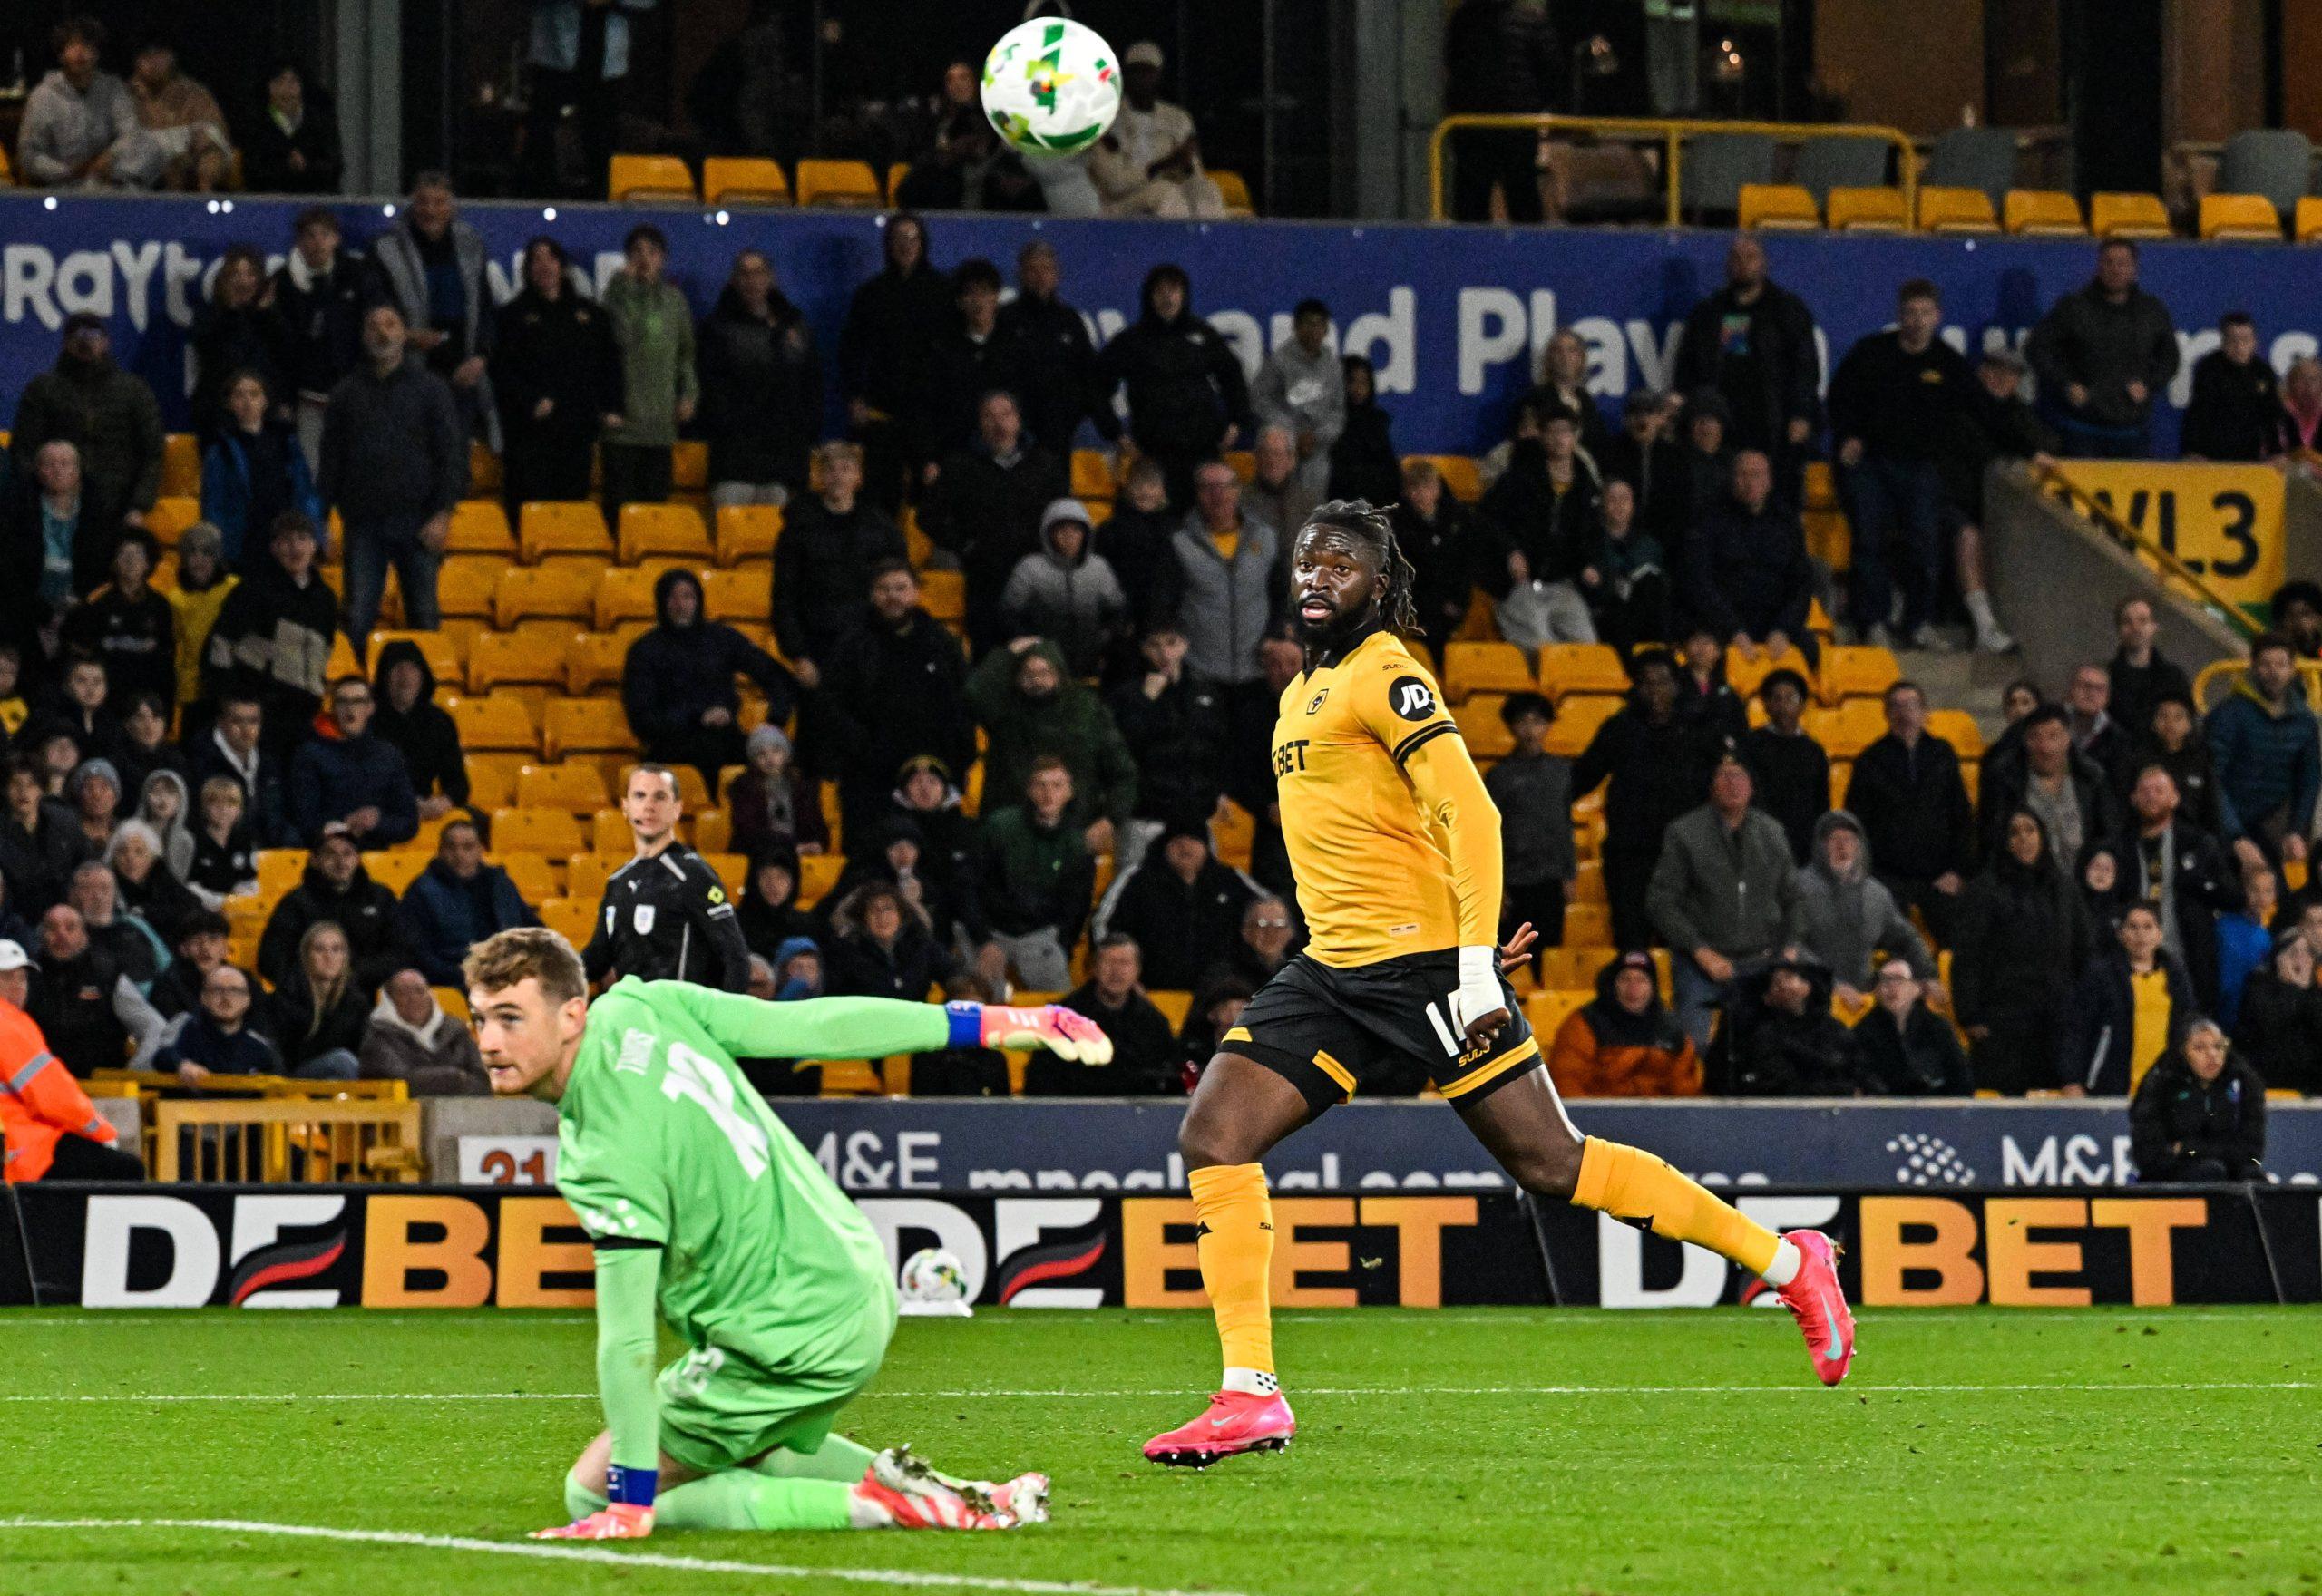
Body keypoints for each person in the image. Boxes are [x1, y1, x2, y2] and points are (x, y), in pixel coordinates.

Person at [1142, 499, 1856, 1471]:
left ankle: (1789, 1260)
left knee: (1552, 1163)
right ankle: (1248, 1392)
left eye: (1340, 566)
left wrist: (1471, 963)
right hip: (1332, 966)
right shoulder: (1300, 693)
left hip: (1428, 967)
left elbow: (1472, 815)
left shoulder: (1388, 674)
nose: (1316, 576)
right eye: (1307, 561)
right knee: (1213, 1132)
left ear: (1379, 586)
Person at [468, 927, 1092, 1539]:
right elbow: (815, 1026)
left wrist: (627, 1503)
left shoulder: (600, 1152)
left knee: (590, 1488)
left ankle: (880, 1507)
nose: (490, 1042)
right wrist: (993, 1024)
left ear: (572, 1014)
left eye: (510, 1018)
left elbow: (626, 1340)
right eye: (479, 1021)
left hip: (786, 1336)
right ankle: (961, 1496)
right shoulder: (643, 1004)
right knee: (739, 1447)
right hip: (855, 1278)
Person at [1828, 279, 1976, 650]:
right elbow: (1839, 398)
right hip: (1870, 465)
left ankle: (1919, 623)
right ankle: (1873, 622)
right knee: (1869, 542)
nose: (1917, 321)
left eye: (1925, 313)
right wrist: (1848, 435)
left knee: (1925, 547)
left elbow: (1968, 417)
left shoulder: (1949, 364)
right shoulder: (1870, 353)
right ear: (1898, 315)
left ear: (1938, 317)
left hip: (1921, 469)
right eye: (1910, 313)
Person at [320, 305, 465, 637]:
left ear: (405, 334)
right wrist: (323, 518)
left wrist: (442, 515)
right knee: (356, 620)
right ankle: (356, 688)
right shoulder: (345, 394)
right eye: (373, 325)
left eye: (391, 324)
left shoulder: (432, 389)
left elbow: (451, 458)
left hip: (419, 524)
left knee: (425, 619)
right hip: (363, 524)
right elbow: (331, 463)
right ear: (362, 336)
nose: (382, 332)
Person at [1647, 755, 1800, 1052]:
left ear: (1752, 786)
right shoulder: (1684, 832)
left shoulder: (1773, 832)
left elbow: (1795, 898)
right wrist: (1700, 950)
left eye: (1740, 776)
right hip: (1701, 964)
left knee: (1779, 1041)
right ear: (1711, 784)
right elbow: (1660, 901)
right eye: (1725, 776)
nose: (1733, 784)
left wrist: (1789, 949)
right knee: (1695, 1047)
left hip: (1763, 960)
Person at [819, 561, 975, 845]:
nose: (893, 596)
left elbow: (962, 705)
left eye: (901, 588)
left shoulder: (942, 643)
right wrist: (863, 747)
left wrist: (955, 762)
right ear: (872, 595)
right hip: (868, 779)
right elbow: (831, 705)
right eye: (884, 589)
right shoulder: (852, 645)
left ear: (916, 592)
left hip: (931, 777)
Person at [1572, 651, 1714, 949]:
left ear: (1676, 685)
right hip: (1630, 854)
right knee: (1630, 944)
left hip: (1684, 855)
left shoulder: (1699, 729)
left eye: (1662, 682)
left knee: (1684, 945)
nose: (1655, 691)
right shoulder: (1619, 729)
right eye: (1646, 683)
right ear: (1635, 688)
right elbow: (1580, 779)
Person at [1673, 234, 1823, 500]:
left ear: (1764, 264)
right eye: (1736, 257)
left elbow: (1806, 367)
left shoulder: (1786, 309)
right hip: (1724, 424)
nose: (1743, 264)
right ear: (1727, 265)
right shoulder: (1710, 313)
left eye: (1751, 257)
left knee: (1777, 501)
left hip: (1774, 424)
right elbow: (1687, 367)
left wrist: (1801, 414)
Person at [921, 392, 1070, 654]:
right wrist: (965, 545)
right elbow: (928, 517)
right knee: (988, 656)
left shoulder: (1045, 465)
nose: (998, 423)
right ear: (979, 423)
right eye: (989, 416)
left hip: (1035, 577)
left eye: (1005, 415)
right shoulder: (959, 466)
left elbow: (1065, 515)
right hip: (984, 579)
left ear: (1019, 421)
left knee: (1037, 656)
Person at [620, 570, 796, 790]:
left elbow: (775, 676)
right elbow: (642, 719)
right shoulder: (645, 650)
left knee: (776, 763)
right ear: (662, 602)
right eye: (673, 597)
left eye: (688, 597)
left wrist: (773, 723)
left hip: (726, 739)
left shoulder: (721, 639)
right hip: (672, 746)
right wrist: (698, 718)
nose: (681, 605)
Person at [583, 766, 753, 992]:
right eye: (640, 796)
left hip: (678, 1018)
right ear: (625, 807)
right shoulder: (618, 882)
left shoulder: (692, 874)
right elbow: (597, 959)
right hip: (634, 1018)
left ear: (677, 809)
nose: (649, 806)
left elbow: (735, 956)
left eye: (660, 797)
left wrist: (726, 1024)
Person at [1097, 265, 1253, 508]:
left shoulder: (1202, 334)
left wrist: (1237, 421)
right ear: (1149, 296)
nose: (1168, 297)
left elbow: (1232, 375)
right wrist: (1115, 433)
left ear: (1184, 294)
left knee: (1202, 523)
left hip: (1201, 450)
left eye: (1174, 290)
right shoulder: (1132, 340)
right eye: (1160, 291)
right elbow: (1097, 386)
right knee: (1157, 520)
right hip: (1153, 453)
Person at [965, 638, 1137, 854]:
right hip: (1013, 836)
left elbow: (1123, 773)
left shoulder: (1087, 708)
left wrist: (1111, 820)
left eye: (1044, 672)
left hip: (1075, 833)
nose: (1036, 680)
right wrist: (1006, 653)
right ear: (1016, 678)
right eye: (1028, 674)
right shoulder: (1005, 711)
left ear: (1059, 672)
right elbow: (973, 693)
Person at [365, 171, 498, 448]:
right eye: (424, 202)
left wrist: (481, 357)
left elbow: (485, 306)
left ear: (452, 207)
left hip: (463, 372)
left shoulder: (472, 244)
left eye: (440, 202)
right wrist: (407, 336)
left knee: (455, 461)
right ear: (413, 204)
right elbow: (374, 306)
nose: (431, 210)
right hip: (408, 372)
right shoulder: (385, 248)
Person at [8, 313, 165, 546]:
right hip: (53, 507)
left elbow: (152, 452)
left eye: (93, 335)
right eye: (77, 336)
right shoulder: (42, 389)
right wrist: (36, 501)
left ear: (106, 342)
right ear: (65, 342)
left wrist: (138, 506)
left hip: (117, 507)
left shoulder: (133, 391)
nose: (85, 341)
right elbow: (23, 450)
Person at [492, 237, 620, 515]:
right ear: (526, 270)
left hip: (577, 431)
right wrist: (529, 400)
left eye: (551, 258)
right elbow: (502, 370)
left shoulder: (591, 315)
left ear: (562, 267)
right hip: (529, 434)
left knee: (571, 510)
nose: (544, 265)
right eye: (536, 259)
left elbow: (609, 364)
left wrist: (609, 406)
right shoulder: (511, 317)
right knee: (529, 510)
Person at [1842, 681, 1975, 947]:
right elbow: (1855, 824)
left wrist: (1959, 871)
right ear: (1886, 714)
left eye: (1911, 706)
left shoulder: (1943, 755)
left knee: (1963, 939)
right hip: (1887, 875)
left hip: (1939, 874)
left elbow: (1961, 816)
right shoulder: (1869, 760)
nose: (1904, 713)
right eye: (1896, 707)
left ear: (1925, 711)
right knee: (1887, 940)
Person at [771, 443, 910, 689]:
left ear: (858, 477)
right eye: (831, 470)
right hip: (816, 647)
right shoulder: (798, 529)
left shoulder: (881, 528)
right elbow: (783, 596)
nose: (838, 477)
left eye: (846, 469)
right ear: (820, 477)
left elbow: (898, 586)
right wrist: (799, 656)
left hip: (869, 647)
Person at [2024, 239, 2181, 458]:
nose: (2115, 269)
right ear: (2099, 266)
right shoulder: (2074, 307)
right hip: (2081, 431)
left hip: (2133, 432)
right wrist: (2066, 384)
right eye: (2108, 262)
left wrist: (2149, 384)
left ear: (2134, 269)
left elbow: (2170, 359)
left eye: (2122, 263)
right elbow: (2036, 348)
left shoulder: (2152, 311)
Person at [837, 213, 952, 509]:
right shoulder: (870, 294)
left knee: (930, 499)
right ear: (888, 245)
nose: (906, 245)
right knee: (879, 499)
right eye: (898, 239)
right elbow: (852, 351)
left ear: (923, 244)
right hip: (881, 414)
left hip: (930, 416)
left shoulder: (943, 292)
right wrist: (854, 397)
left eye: (912, 238)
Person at [0, 938, 141, 1180]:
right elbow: (52, 1096)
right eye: (5, 978)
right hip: (21, 1149)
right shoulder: (9, 1023)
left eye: (22, 978)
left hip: (13, 1143)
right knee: (127, 1169)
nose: (18, 987)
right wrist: (102, 1131)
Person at [2110, 763, 2241, 1017]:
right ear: (2133, 798)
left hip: (2188, 959)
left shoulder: (2200, 843)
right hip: (2131, 963)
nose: (2151, 796)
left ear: (2175, 797)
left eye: (2159, 790)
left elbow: (2232, 895)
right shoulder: (2119, 846)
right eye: (2145, 790)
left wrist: (2199, 884)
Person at [695, 248, 820, 509]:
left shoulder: (795, 325)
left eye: (759, 273)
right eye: (745, 273)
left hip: (785, 461)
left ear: (771, 278)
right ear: (734, 280)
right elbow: (710, 390)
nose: (752, 280)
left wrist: (802, 432)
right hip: (734, 461)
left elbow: (811, 385)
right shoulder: (717, 328)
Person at [1786, 812, 1937, 1007]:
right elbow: (1789, 945)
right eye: (1834, 839)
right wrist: (1833, 985)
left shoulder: (1875, 894)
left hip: (1864, 1000)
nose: (1841, 847)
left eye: (1848, 840)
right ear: (1821, 846)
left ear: (1859, 846)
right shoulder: (1799, 888)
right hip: (1811, 999)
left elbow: (1906, 938)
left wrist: (1928, 976)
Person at [972, 759, 1098, 994]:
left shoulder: (1077, 843)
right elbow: (969, 885)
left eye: (1056, 785)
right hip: (990, 931)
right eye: (1040, 785)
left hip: (1041, 935)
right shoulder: (1000, 827)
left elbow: (1077, 905)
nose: (1048, 793)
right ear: (1029, 790)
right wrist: (983, 938)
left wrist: (1062, 946)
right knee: (974, 999)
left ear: (1069, 792)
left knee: (1063, 1006)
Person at [1683, 449, 1818, 667]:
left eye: (1757, 474)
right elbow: (1700, 582)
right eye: (1743, 474)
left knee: (1810, 650)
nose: (1750, 481)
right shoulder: (1709, 520)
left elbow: (1801, 585)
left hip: (1775, 623)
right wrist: (1733, 630)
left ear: (1769, 481)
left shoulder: (1787, 523)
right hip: (1722, 623)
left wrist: (1782, 629)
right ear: (1731, 479)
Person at [600, 224, 699, 516]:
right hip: (621, 428)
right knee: (620, 515)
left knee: (655, 513)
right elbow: (620, 341)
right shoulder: (613, 299)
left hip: (660, 427)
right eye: (637, 252)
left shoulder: (674, 301)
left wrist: (689, 395)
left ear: (663, 258)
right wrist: (627, 291)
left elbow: (686, 355)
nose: (645, 259)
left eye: (652, 252)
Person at [1485, 411, 1601, 649]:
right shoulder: (1519, 478)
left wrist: (1587, 564)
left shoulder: (1584, 485)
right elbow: (1488, 520)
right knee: (1542, 648)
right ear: (1542, 436)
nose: (1560, 438)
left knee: (1588, 648)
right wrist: (1511, 551)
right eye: (1553, 432)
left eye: (1565, 431)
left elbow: (1589, 535)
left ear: (1575, 437)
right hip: (1518, 585)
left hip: (1562, 583)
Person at [2205, 634, 2320, 873]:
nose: (2273, 672)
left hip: (2267, 823)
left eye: (2281, 664)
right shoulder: (2230, 713)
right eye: (2266, 664)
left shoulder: (2305, 722)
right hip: (2218, 823)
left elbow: (2308, 781)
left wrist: (2297, 831)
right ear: (2254, 667)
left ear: (2293, 669)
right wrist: (2235, 836)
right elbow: (2213, 777)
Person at [1099, 824, 1258, 993]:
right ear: (1164, 846)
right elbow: (1104, 926)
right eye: (1177, 841)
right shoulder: (1137, 880)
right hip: (1146, 994)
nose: (1185, 846)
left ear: (1206, 847)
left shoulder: (1231, 880)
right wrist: (1128, 980)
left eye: (1194, 840)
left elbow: (1273, 913)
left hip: (1221, 997)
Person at [1169, 460, 1284, 690]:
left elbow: (1281, 594)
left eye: (1225, 486)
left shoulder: (1264, 537)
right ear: (1198, 493)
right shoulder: (1178, 543)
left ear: (1238, 490)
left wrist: (1276, 635)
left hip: (1257, 673)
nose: (1217, 495)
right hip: (1200, 673)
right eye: (1209, 487)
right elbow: (1166, 601)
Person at [257, 823, 409, 996]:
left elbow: (400, 952)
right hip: (308, 999)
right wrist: (311, 984)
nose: (340, 861)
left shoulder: (381, 898)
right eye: (330, 854)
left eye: (347, 853)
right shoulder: (295, 902)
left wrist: (355, 975)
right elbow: (271, 959)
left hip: (367, 995)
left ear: (358, 859)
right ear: (315, 860)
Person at [2058, 901, 2193, 1095]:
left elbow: (2187, 1028)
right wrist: (2071, 1079)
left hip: (2163, 1092)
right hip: (2111, 1089)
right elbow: (2078, 1029)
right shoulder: (2101, 975)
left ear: (2159, 934)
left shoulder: (2176, 976)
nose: (2141, 935)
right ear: (2121, 934)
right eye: (2133, 927)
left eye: (2148, 927)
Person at [1439, 0, 1556, 223]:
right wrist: (1534, 106)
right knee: (1523, 200)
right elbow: (1551, 71)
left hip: (1473, 125)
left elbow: (1454, 66)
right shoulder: (1532, 19)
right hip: (1517, 125)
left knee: (1471, 205)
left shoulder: (1464, 17)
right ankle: (1530, 254)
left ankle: (1471, 254)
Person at [270, 207, 369, 469]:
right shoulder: (284, 283)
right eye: (310, 236)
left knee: (355, 469)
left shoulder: (356, 274)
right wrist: (284, 398)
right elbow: (279, 349)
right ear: (299, 242)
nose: (318, 243)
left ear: (336, 238)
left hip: (352, 393)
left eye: (324, 235)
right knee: (312, 472)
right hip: (308, 397)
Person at [200, 371, 322, 573]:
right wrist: (218, 546)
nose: (247, 401)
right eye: (239, 395)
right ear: (229, 403)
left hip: (286, 538)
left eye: (254, 394)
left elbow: (304, 490)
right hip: (244, 541)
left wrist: (314, 533)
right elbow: (214, 503)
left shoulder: (286, 442)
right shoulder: (220, 450)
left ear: (265, 401)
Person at [1088, 42, 1225, 218]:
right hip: (1122, 204)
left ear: (1158, 75)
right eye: (1136, 71)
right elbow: (1114, 186)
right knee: (1165, 193)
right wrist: (1161, 166)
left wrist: (1187, 164)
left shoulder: (1177, 119)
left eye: (1148, 72)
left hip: (1170, 193)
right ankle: (1176, 245)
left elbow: (1194, 172)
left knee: (1207, 190)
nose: (1142, 78)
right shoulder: (1107, 120)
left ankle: (1209, 243)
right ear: (1126, 75)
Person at [916, 259, 1030, 467]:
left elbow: (1030, 401)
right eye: (970, 293)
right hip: (956, 455)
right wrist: (929, 457)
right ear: (959, 301)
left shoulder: (1016, 348)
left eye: (985, 292)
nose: (978, 301)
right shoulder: (943, 351)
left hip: (1009, 457)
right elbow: (928, 408)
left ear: (996, 297)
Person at [399, 818, 538, 988]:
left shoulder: (500, 885)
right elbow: (416, 953)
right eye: (451, 847)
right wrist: (461, 974)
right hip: (453, 981)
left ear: (480, 850)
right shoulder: (422, 890)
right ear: (440, 851)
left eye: (468, 847)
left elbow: (534, 930)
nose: (459, 854)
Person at [1484, 693, 1574, 956]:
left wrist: (1569, 873)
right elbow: (1491, 832)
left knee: (1549, 954)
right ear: (1511, 726)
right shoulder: (1499, 775)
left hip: (1551, 879)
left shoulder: (1561, 771)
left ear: (1548, 726)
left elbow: (1565, 824)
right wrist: (1496, 886)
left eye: (1537, 722)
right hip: (1514, 880)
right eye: (1523, 722)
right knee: (1512, 955)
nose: (1530, 730)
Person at [1546, 949, 1702, 1098]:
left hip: (1657, 1119)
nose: (1633, 988)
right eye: (1625, 979)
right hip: (1598, 1116)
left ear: (1653, 988)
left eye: (1642, 980)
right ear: (1612, 985)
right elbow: (1566, 1081)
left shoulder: (1672, 1032)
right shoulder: (1585, 1023)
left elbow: (1684, 1091)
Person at [1001, 499, 1129, 678]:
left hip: (1091, 661)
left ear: (1086, 534)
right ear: (1048, 534)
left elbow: (1119, 610)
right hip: (1042, 664)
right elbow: (1008, 614)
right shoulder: (1030, 568)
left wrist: (1104, 642)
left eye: (1076, 530)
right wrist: (1034, 647)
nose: (1069, 536)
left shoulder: (1098, 567)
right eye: (1061, 530)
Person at [31, 903, 163, 1075]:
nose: (61, 934)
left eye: (70, 927)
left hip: (102, 1089)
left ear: (85, 934)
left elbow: (154, 1027)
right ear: (41, 935)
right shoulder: (27, 978)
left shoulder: (108, 977)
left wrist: (132, 1074)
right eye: (52, 928)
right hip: (43, 1086)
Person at [288, 676, 418, 850]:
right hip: (328, 854)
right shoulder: (309, 755)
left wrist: (378, 822)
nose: (350, 709)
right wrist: (344, 824)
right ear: (333, 708)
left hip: (374, 859)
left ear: (370, 708)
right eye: (343, 702)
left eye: (358, 701)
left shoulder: (389, 755)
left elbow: (409, 822)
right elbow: (303, 819)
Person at [1979, 704, 2117, 867]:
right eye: (2035, 737)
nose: (2045, 747)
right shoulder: (2004, 781)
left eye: (2054, 736)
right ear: (2026, 742)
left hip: (2083, 883)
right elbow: (1992, 842)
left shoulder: (2092, 778)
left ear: (2067, 738)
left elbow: (2108, 837)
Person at [15, 17, 145, 189]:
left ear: (97, 53)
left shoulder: (113, 88)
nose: (80, 52)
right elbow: (29, 154)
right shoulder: (43, 96)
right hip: (62, 188)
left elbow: (130, 132)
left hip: (109, 180)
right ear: (61, 54)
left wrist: (109, 157)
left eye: (87, 46)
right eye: (72, 46)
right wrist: (68, 171)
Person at [2130, 1019, 2266, 1180]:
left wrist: (2188, 1148)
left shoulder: (2244, 1081)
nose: (2212, 1055)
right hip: (2171, 1175)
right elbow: (2151, 1154)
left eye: (2218, 1046)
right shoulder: (2161, 1082)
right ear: (2183, 1051)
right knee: (2212, 1172)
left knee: (2255, 1181)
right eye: (2199, 1048)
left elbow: (2252, 1153)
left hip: (2227, 1169)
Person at [1049, 935, 1178, 1094]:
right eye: (1108, 962)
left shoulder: (1153, 1023)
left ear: (1137, 970)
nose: (1116, 971)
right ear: (1094, 968)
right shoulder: (1062, 1016)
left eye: (1124, 963)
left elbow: (1166, 1077)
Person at [0, 439, 108, 630]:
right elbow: (11, 569)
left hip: (82, 606)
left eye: (65, 464)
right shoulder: (17, 510)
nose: (57, 471)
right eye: (49, 464)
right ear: (37, 471)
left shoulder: (96, 512)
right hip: (26, 607)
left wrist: (80, 600)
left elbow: (99, 565)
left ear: (77, 471)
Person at [63, 530, 175, 712]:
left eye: (138, 554)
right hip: (107, 700)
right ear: (114, 562)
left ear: (148, 562)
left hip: (145, 697)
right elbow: (79, 647)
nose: (131, 561)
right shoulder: (96, 602)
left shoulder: (160, 606)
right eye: (124, 554)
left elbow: (166, 660)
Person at [1251, 301, 1345, 500]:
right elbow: (1259, 401)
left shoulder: (1333, 367)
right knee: (1277, 503)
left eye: (1319, 324)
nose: (1313, 330)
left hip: (1317, 453)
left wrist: (1316, 436)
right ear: (1295, 326)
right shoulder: (1279, 361)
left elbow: (1338, 413)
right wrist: (1292, 434)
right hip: (1282, 450)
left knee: (1313, 510)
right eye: (1307, 323)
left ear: (1327, 329)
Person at [189, 250, 284, 444]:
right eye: (235, 274)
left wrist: (265, 314)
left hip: (264, 418)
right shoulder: (209, 316)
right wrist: (231, 310)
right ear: (223, 280)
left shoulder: (271, 318)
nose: (242, 281)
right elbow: (210, 354)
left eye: (249, 274)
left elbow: (285, 359)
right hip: (217, 417)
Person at [1391, 459, 1483, 654]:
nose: (1421, 495)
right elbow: (1404, 575)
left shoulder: (1459, 519)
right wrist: (1433, 606)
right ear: (1406, 492)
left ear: (1438, 489)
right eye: (1415, 489)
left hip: (1454, 603)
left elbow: (1466, 565)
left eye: (1427, 487)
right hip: (1419, 607)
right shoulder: (1398, 527)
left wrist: (1456, 602)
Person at [371, 639, 468, 822]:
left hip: (424, 809)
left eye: (412, 669)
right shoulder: (367, 718)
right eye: (397, 669)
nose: (405, 677)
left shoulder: (439, 721)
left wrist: (443, 802)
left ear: (423, 676)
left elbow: (458, 782)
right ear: (384, 676)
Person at [258, 920, 367, 1080]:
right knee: (343, 1061)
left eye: (336, 949)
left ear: (345, 957)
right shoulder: (287, 995)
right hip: (291, 1079)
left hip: (334, 1079)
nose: (328, 956)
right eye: (319, 949)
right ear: (306, 956)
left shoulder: (356, 1001)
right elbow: (274, 1048)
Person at [1741, 668, 1829, 865]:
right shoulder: (1750, 744)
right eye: (1776, 699)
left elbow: (1821, 802)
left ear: (1802, 706)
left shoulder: (1814, 751)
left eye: (1790, 698)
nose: (1783, 706)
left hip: (1802, 848)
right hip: (1759, 845)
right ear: (1766, 706)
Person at [1094, 461, 1185, 650]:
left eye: (1152, 485)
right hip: (1124, 624)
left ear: (1162, 490)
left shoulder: (1178, 531)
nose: (1145, 492)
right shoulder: (1109, 530)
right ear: (1127, 488)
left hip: (1167, 625)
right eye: (1138, 485)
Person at [1850, 957, 1971, 1096]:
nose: (1890, 987)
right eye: (1885, 980)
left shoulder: (1937, 1027)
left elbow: (1961, 1077)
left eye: (1899, 980)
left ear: (1916, 988)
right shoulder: (1864, 1031)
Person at [124, 37, 231, 191]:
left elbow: (215, 135)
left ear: (171, 57)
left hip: (191, 166)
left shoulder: (194, 93)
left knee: (209, 153)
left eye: (159, 55)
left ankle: (205, 202)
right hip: (139, 170)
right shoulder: (123, 96)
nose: (153, 62)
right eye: (146, 56)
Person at [359, 968, 488, 1095]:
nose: (413, 998)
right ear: (390, 1000)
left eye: (419, 991)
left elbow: (483, 1080)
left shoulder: (457, 1031)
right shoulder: (378, 1036)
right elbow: (402, 1082)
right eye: (403, 992)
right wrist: (457, 1077)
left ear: (430, 996)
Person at [1579, 478, 1671, 655]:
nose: (1619, 505)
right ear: (1602, 503)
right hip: (1605, 619)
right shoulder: (1588, 544)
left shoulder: (1649, 546)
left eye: (1624, 499)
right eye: (1612, 499)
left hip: (1644, 620)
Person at [187, 692, 290, 845]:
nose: (246, 729)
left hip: (269, 855)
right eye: (237, 721)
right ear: (221, 723)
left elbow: (280, 817)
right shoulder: (200, 762)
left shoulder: (270, 762)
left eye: (253, 721)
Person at [153, 962, 282, 1085]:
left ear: (247, 1000)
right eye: (217, 990)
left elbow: (278, 1080)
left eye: (234, 991)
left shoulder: (260, 1045)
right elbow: (161, 1056)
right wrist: (181, 1064)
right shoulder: (185, 1026)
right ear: (203, 997)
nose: (226, 997)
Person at [2180, 312, 2280, 462]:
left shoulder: (2263, 372)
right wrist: (2192, 450)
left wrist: (2275, 452)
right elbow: (2198, 413)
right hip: (2210, 454)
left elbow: (2270, 416)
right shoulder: (2209, 368)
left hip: (2249, 453)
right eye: (2233, 340)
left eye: (2245, 340)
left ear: (2254, 342)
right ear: (2223, 342)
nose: (2239, 346)